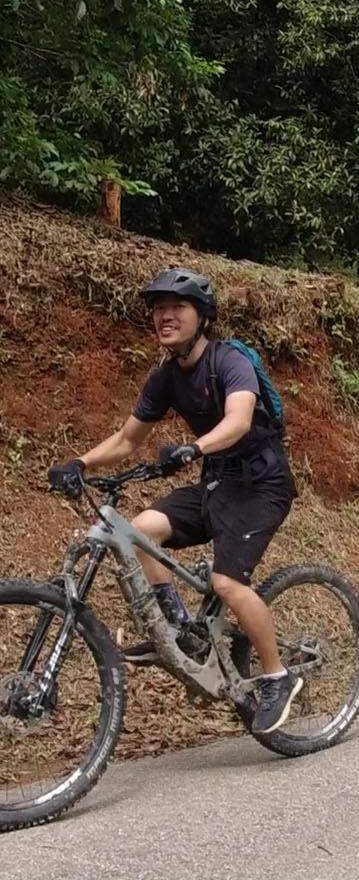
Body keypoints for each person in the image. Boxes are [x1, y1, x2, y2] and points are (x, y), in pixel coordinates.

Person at [46, 268, 302, 734]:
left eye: (176, 308)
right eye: (158, 309)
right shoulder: (165, 376)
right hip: (217, 481)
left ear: (202, 317)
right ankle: (177, 630)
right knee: (140, 529)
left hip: (262, 484)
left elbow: (239, 420)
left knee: (226, 582)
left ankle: (276, 676)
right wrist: (80, 463)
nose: (165, 316)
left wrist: (196, 447)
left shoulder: (229, 361)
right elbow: (128, 439)